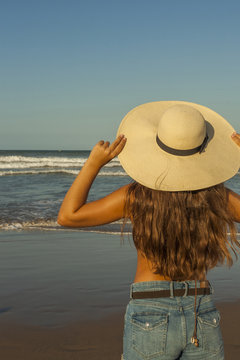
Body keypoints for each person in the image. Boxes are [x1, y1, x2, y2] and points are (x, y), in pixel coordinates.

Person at [58, 101, 240, 360]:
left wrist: (93, 164)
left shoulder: (136, 197)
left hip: (150, 308)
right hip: (201, 309)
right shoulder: (217, 197)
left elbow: (68, 216)